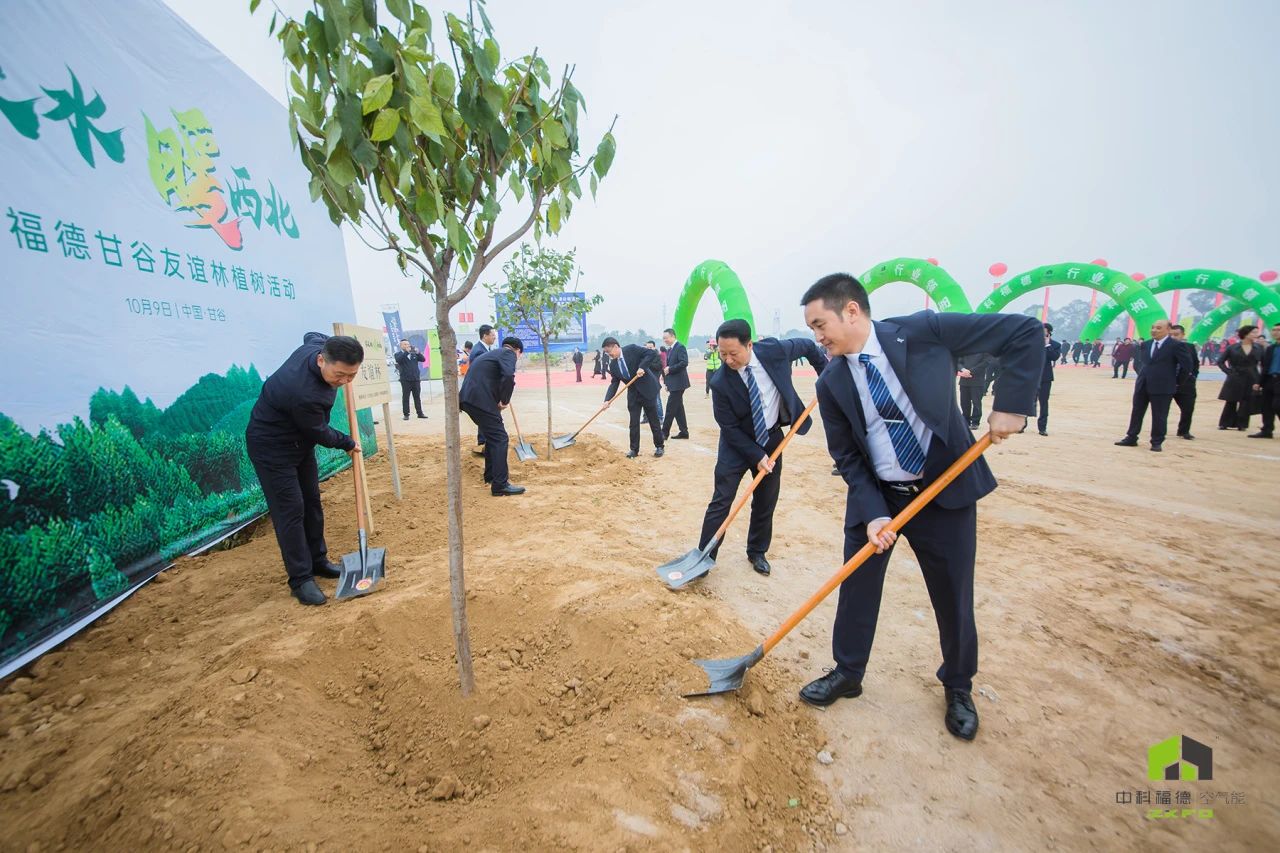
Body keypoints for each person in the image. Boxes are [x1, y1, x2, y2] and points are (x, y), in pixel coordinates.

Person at [797, 273, 1041, 741]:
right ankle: (848, 672)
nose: (817, 336)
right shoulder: (830, 381)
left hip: (942, 491)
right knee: (857, 585)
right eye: (812, 328)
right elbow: (847, 455)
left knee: (953, 595)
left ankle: (958, 685)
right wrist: (874, 514)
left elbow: (1022, 332)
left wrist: (1012, 404)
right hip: (880, 496)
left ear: (851, 311)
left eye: (819, 323)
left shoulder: (923, 331)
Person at [698, 320, 827, 577]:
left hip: (771, 437)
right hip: (736, 445)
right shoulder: (720, 381)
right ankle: (704, 556)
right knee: (722, 500)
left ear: (749, 345)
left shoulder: (774, 351)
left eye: (733, 353)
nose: (728, 360)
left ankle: (757, 551)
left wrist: (827, 375)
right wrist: (757, 456)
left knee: (766, 498)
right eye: (722, 354)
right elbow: (729, 427)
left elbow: (809, 347)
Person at [245, 332, 364, 606]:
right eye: (340, 375)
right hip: (271, 447)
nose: (345, 382)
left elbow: (311, 334)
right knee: (291, 510)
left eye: (352, 375)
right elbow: (320, 432)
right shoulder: (303, 392)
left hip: (300, 443)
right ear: (321, 360)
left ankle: (318, 560)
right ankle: (300, 579)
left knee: (311, 501)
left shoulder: (316, 346)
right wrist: (347, 442)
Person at [459, 336, 526, 496]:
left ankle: (490, 476)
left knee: (491, 437)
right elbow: (508, 376)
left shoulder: (493, 354)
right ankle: (500, 485)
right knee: (500, 438)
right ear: (518, 351)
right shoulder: (508, 353)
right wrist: (504, 400)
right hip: (479, 400)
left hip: (469, 399)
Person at [1114, 319, 1195, 452]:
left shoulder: (1176, 345)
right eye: (1153, 327)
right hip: (1143, 384)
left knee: (1160, 415)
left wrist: (1177, 382)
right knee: (1137, 412)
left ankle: (1156, 441)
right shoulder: (1146, 344)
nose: (1154, 330)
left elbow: (1187, 367)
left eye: (1158, 328)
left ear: (1168, 330)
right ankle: (1131, 437)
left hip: (1163, 387)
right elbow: (1140, 362)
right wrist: (1141, 375)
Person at [602, 337, 664, 457]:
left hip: (647, 389)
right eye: (606, 352)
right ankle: (634, 450)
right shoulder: (613, 365)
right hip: (633, 393)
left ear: (615, 346)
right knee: (633, 422)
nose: (608, 354)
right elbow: (614, 383)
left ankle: (659, 446)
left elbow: (651, 354)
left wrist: (642, 367)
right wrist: (607, 400)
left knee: (653, 419)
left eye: (609, 351)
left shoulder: (632, 349)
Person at [1217, 325, 1264, 431]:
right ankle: (1225, 423)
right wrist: (1229, 372)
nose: (1256, 335)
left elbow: (1264, 364)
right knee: (1231, 400)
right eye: (1254, 332)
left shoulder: (1259, 348)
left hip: (1252, 377)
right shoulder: (1232, 347)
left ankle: (1242, 424)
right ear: (1246, 334)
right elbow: (1220, 362)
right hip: (1235, 376)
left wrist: (1261, 380)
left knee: (1246, 401)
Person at [1249, 323, 1280, 438]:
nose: (1275, 332)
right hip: (1269, 380)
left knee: (1277, 405)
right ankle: (1267, 430)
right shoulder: (1271, 348)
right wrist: (1259, 382)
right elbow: (1265, 366)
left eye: (1278, 330)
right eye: (1274, 330)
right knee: (1266, 406)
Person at [1168, 324, 1198, 440]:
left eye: (1176, 335)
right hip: (1168, 383)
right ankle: (1160, 430)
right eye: (1171, 335)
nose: (1173, 337)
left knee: (1188, 408)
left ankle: (1184, 431)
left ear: (1183, 335)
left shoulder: (1190, 348)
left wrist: (1193, 376)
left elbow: (1195, 364)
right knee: (1162, 409)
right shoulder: (1165, 348)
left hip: (1186, 384)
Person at [470, 325, 498, 449]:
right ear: (485, 335)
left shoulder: (485, 349)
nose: (494, 337)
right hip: (480, 388)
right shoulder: (479, 351)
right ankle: (483, 442)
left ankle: (484, 441)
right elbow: (482, 373)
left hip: (484, 388)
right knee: (484, 415)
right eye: (492, 335)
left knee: (485, 415)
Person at [661, 328, 691, 439]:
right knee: (678, 408)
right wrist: (667, 382)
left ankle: (664, 433)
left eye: (666, 338)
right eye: (663, 338)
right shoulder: (670, 350)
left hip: (679, 383)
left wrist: (670, 369)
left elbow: (684, 362)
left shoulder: (680, 347)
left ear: (673, 336)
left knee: (670, 408)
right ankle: (684, 432)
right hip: (674, 383)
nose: (665, 340)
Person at [1034, 323, 1063, 436]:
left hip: (1045, 377)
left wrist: (1047, 345)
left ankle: (1042, 427)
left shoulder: (1055, 344)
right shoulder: (1034, 342)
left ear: (1049, 331)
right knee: (1028, 401)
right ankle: (1022, 425)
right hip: (1032, 377)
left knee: (1044, 403)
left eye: (1044, 330)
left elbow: (1054, 357)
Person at [393, 339, 427, 420]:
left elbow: (423, 359)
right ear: (401, 346)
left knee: (417, 396)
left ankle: (420, 413)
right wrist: (407, 352)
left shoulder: (414, 354)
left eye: (408, 344)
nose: (407, 346)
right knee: (406, 397)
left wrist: (418, 352)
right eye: (404, 344)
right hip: (405, 380)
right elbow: (399, 360)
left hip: (415, 379)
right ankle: (406, 414)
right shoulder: (398, 354)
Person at [956, 353, 992, 429]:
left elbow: (986, 363)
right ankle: (966, 420)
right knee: (964, 402)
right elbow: (958, 362)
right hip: (964, 381)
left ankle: (975, 422)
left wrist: (970, 371)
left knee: (976, 403)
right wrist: (963, 369)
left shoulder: (985, 350)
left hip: (977, 381)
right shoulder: (967, 349)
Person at [642, 341, 664, 426]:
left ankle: (660, 417)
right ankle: (646, 418)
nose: (649, 349)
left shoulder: (657, 356)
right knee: (645, 400)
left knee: (657, 400)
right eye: (647, 348)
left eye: (650, 347)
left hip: (654, 382)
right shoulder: (644, 356)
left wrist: (648, 363)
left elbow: (659, 367)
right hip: (645, 382)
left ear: (654, 347)